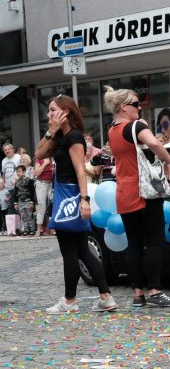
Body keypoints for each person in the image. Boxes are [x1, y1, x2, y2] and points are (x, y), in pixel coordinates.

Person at [34, 94, 116, 314]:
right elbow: (38, 154)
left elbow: (81, 170)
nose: (49, 114)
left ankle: (70, 301)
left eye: (53, 110)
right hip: (65, 195)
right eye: (49, 110)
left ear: (65, 112)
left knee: (70, 251)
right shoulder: (60, 136)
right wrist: (51, 130)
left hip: (70, 197)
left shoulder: (74, 137)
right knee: (82, 250)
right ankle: (105, 296)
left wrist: (84, 200)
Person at [104, 85, 170, 308]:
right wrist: (168, 161)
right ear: (123, 107)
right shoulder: (135, 126)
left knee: (135, 245)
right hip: (144, 192)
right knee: (155, 242)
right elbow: (155, 143)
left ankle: (138, 293)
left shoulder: (112, 131)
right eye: (136, 105)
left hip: (124, 193)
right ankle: (155, 291)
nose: (139, 108)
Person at [33, 155, 54, 235]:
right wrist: (45, 164)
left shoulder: (53, 158)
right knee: (41, 206)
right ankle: (38, 230)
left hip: (51, 184)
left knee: (52, 206)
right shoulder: (39, 159)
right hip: (41, 183)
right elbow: (36, 173)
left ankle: (52, 229)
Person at [13, 165, 36, 235]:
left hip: (28, 201)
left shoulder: (29, 181)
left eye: (19, 171)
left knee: (30, 216)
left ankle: (32, 229)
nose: (18, 173)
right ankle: (26, 230)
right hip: (20, 202)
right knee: (23, 217)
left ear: (24, 171)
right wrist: (15, 203)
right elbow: (15, 193)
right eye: (17, 172)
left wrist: (32, 202)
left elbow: (32, 192)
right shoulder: (16, 182)